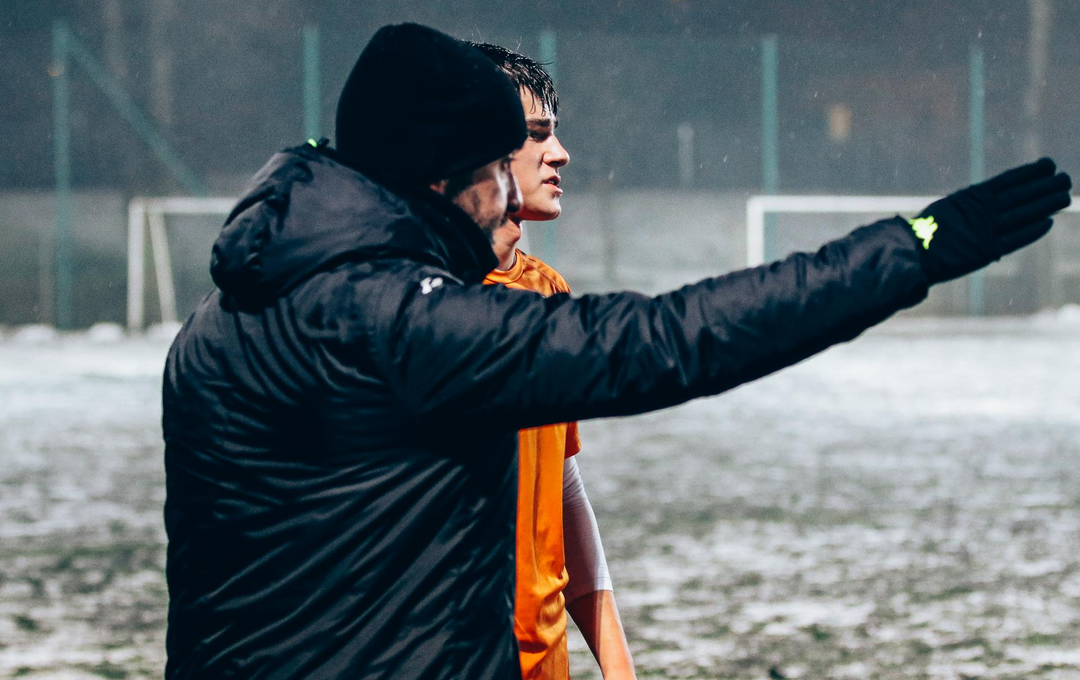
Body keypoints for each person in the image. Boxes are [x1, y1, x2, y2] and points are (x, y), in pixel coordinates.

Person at [161, 22, 1071, 680]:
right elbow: (668, 340)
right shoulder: (403, 325)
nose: (511, 194)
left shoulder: (217, 320)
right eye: (498, 169)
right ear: (440, 178)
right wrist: (912, 249)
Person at [471, 42, 636, 680]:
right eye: (536, 134)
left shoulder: (547, 292)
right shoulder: (414, 301)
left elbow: (561, 487)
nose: (560, 153)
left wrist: (618, 664)